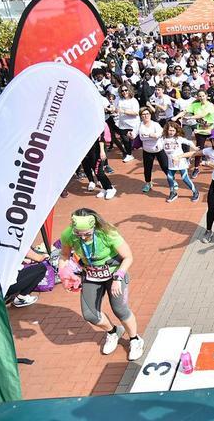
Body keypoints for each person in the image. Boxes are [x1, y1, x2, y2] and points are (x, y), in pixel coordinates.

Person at [59, 208, 144, 361]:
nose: (83, 238)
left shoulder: (108, 232)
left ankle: (135, 340)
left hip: (114, 273)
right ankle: (113, 332)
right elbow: (64, 255)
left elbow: (128, 257)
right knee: (90, 315)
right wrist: (64, 274)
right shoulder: (68, 234)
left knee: (120, 310)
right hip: (91, 274)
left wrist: (118, 278)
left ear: (94, 226)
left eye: (87, 234)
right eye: (79, 234)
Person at [171, 90, 214, 179]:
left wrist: (191, 117)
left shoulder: (210, 105)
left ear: (206, 96)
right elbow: (184, 111)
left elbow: (203, 114)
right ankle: (196, 168)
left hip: (210, 129)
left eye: (203, 95)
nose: (202, 97)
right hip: (200, 130)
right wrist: (176, 117)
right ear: (198, 97)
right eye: (200, 96)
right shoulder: (195, 105)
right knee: (199, 149)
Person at [161, 121, 200, 203]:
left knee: (184, 178)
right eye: (170, 130)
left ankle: (195, 191)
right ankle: (173, 193)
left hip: (180, 161)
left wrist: (195, 148)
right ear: (166, 130)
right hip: (171, 162)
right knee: (169, 177)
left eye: (173, 131)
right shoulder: (163, 139)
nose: (171, 132)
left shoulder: (178, 139)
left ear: (176, 131)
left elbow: (188, 142)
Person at [138, 107, 168, 194]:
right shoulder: (139, 125)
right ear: (141, 116)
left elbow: (159, 135)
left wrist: (151, 135)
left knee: (165, 166)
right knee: (147, 169)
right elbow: (139, 136)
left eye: (147, 114)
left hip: (159, 149)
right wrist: (131, 134)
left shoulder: (155, 124)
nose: (145, 116)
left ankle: (172, 180)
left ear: (150, 115)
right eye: (143, 114)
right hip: (147, 150)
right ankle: (148, 183)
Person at [116, 83, 140, 163]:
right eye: (122, 91)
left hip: (132, 124)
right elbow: (117, 109)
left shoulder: (133, 100)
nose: (124, 92)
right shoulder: (120, 100)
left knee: (131, 140)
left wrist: (124, 111)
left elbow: (136, 113)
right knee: (125, 140)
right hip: (122, 124)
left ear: (129, 90)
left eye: (126, 90)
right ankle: (129, 154)